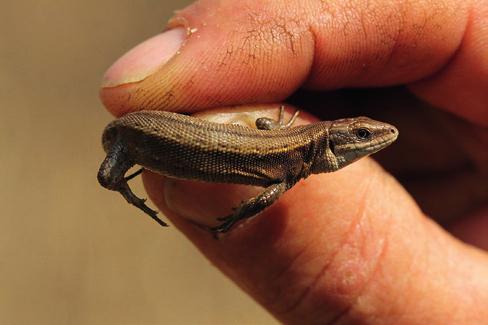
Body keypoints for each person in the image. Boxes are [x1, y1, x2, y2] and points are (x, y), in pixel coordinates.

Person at [99, 0, 488, 323]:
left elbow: (266, 125)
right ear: (331, 143)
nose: (375, 139)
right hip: (142, 136)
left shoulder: (287, 152)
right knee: (108, 176)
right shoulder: (287, 169)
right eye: (361, 136)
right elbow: (260, 197)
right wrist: (235, 219)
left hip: (154, 131)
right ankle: (120, 182)